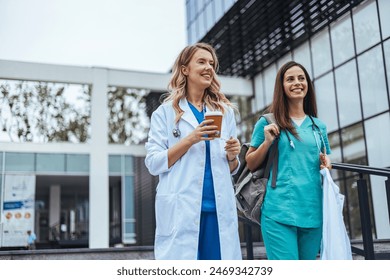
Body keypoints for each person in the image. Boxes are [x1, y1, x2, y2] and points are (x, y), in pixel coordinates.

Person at [145, 42, 242, 260]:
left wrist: (233, 156)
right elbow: (153, 163)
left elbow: (232, 169)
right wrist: (191, 139)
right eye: (202, 62)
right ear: (185, 69)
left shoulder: (224, 112)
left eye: (211, 63)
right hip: (182, 211)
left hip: (218, 211)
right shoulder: (165, 113)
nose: (209, 67)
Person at [245, 61, 332, 260]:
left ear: (307, 84)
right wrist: (267, 142)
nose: (297, 83)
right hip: (279, 211)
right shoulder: (268, 121)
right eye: (290, 79)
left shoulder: (318, 126)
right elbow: (250, 162)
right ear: (281, 86)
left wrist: (327, 163)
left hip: (313, 211)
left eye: (301, 78)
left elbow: (326, 159)